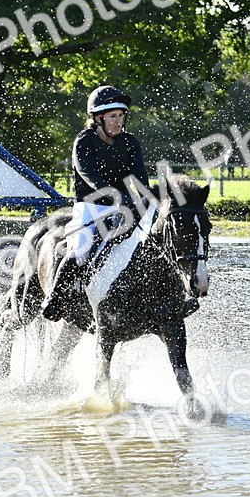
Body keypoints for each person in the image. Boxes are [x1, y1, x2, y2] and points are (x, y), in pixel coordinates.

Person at [41, 85, 150, 322]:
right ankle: (55, 298)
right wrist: (117, 198)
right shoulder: (84, 141)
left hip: (124, 207)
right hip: (91, 207)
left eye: (121, 116)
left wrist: (147, 201)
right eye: (113, 117)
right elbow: (89, 176)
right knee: (80, 248)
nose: (118, 121)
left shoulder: (130, 142)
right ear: (98, 118)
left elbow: (140, 178)